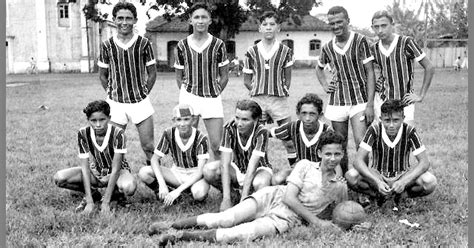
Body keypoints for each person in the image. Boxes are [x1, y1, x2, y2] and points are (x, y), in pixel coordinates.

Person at [148, 130, 348, 245]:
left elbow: (338, 214)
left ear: (342, 155)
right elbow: (289, 197)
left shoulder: (339, 187)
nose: (332, 159)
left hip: (286, 219)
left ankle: (180, 237)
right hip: (273, 197)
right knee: (225, 218)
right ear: (320, 152)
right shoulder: (305, 165)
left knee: (238, 233)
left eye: (337, 154)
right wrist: (315, 221)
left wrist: (351, 222)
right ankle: (171, 225)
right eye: (328, 153)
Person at [315, 6, 376, 174]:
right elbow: (319, 68)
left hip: (360, 100)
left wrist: (370, 104)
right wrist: (325, 85)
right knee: (339, 145)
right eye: (332, 23)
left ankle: (363, 180)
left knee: (360, 143)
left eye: (339, 22)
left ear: (348, 21)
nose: (336, 26)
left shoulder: (361, 41)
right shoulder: (327, 47)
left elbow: (370, 72)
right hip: (338, 101)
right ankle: (343, 181)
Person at [346, 100, 437, 207]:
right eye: (387, 120)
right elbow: (358, 161)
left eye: (396, 120)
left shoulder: (409, 131)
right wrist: (377, 182)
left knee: (430, 181)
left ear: (403, 118)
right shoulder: (374, 130)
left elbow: (424, 163)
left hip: (402, 175)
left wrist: (404, 182)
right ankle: (377, 195)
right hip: (378, 175)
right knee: (351, 176)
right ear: (381, 119)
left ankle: (402, 196)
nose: (391, 125)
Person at [98, 2, 157, 166]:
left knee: (148, 146)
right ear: (114, 20)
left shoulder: (144, 43)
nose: (124, 22)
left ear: (135, 20)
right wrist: (112, 93)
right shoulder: (107, 45)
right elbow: (103, 75)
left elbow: (152, 73)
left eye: (128, 18)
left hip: (140, 102)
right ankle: (119, 181)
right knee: (113, 146)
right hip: (116, 104)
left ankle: (156, 182)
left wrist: (144, 92)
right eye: (120, 18)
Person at [53, 100, 137, 215]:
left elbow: (116, 169)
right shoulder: (83, 133)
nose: (98, 124)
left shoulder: (118, 133)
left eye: (102, 119)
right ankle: (93, 194)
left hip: (118, 173)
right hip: (96, 172)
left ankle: (115, 194)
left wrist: (106, 203)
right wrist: (89, 201)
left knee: (129, 187)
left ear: (109, 118)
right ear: (88, 120)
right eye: (93, 120)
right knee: (59, 178)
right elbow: (85, 167)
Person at [174, 2, 229, 161]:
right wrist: (186, 94)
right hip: (189, 98)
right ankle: (189, 181)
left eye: (204, 17)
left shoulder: (218, 45)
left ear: (210, 20)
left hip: (211, 98)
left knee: (217, 145)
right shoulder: (182, 45)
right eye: (196, 17)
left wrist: (214, 91)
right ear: (190, 20)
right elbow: (179, 76)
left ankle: (218, 179)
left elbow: (224, 75)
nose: (200, 21)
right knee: (188, 143)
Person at [243, 11, 296, 166]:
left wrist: (276, 92)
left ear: (278, 28)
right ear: (260, 28)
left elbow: (287, 79)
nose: (268, 28)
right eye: (265, 24)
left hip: (278, 99)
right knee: (254, 137)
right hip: (257, 100)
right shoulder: (251, 51)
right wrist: (260, 92)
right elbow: (247, 80)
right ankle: (257, 170)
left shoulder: (285, 51)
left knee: (289, 138)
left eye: (272, 24)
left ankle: (295, 168)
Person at [202, 100, 273, 211]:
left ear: (255, 120)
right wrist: (226, 199)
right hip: (237, 168)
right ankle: (233, 195)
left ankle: (249, 198)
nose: (239, 123)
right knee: (209, 170)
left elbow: (252, 167)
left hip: (258, 170)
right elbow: (225, 164)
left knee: (261, 182)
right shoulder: (229, 128)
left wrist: (243, 200)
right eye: (237, 117)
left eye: (245, 119)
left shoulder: (261, 132)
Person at [370, 10, 435, 125]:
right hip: (382, 100)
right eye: (376, 27)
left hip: (404, 101)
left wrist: (421, 95)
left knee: (405, 137)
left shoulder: (406, 42)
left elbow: (429, 67)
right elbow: (372, 71)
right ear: (373, 28)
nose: (380, 30)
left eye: (384, 26)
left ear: (392, 25)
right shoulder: (373, 48)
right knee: (383, 138)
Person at [137, 104, 210, 205]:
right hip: (177, 173)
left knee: (199, 193)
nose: (182, 124)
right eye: (179, 120)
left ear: (193, 120)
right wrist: (162, 184)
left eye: (186, 119)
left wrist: (178, 190)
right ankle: (166, 194)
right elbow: (154, 159)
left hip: (195, 175)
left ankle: (185, 195)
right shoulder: (168, 133)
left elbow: (200, 171)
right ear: (174, 121)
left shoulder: (201, 138)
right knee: (144, 172)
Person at [270, 93, 340, 185]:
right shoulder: (293, 127)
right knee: (277, 179)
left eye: (312, 114)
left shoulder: (327, 131)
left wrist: (337, 179)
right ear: (298, 114)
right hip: (299, 169)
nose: (307, 118)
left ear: (320, 115)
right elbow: (269, 133)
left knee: (318, 186)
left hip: (321, 171)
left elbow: (335, 160)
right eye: (304, 113)